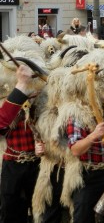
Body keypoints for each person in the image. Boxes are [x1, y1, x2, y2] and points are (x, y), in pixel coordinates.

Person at [0, 65, 40, 223]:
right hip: (11, 162)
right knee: (10, 209)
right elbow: (1, 123)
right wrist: (22, 85)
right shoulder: (3, 96)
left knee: (39, 210)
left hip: (38, 162)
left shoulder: (39, 94)